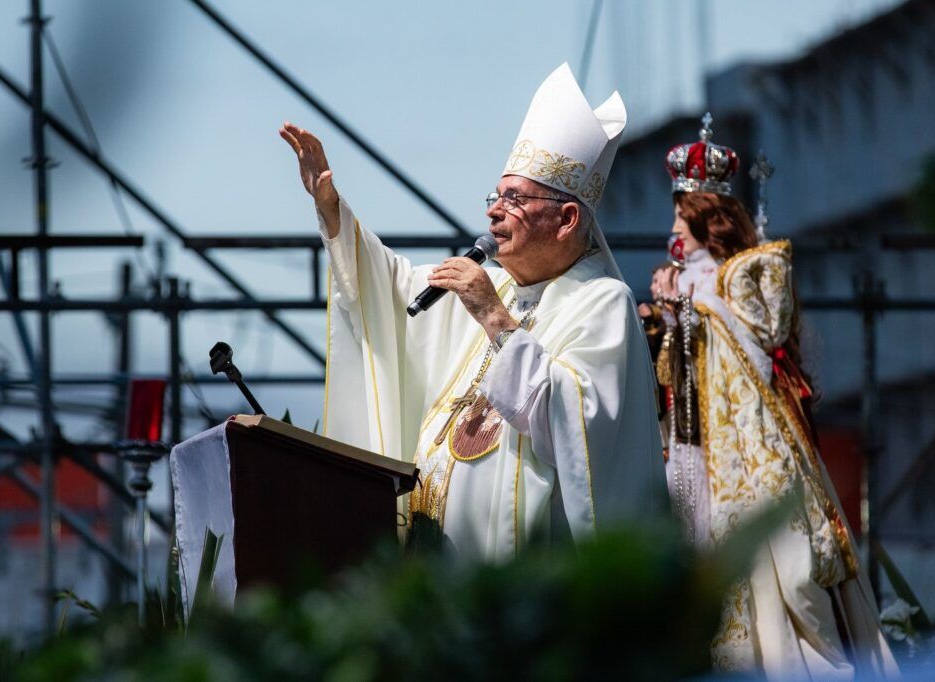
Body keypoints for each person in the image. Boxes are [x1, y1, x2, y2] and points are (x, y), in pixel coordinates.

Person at [280, 64, 666, 562]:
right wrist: (331, 206)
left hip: (528, 571)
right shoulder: (496, 286)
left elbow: (580, 429)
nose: (493, 211)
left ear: (567, 219)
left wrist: (496, 319)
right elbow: (389, 287)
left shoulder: (601, 301)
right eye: (496, 196)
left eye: (514, 198)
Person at [652, 115, 898, 677]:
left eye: (680, 214)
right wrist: (665, 318)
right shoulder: (684, 278)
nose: (673, 226)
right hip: (700, 440)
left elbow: (752, 348)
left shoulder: (745, 272)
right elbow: (679, 365)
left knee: (787, 563)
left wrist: (681, 310)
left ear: (704, 217)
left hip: (747, 442)